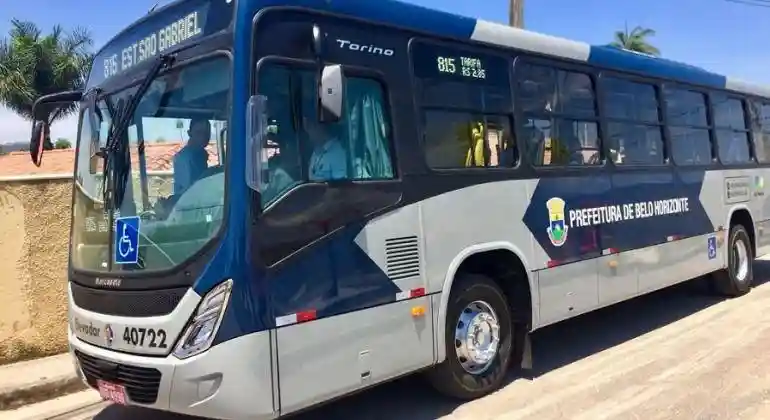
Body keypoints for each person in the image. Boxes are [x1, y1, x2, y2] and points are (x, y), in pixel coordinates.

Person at [173, 117, 211, 195]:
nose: (203, 137)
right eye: (198, 133)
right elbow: (186, 192)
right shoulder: (184, 159)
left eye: (206, 133)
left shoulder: (200, 155)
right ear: (189, 133)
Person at [303, 116, 347, 181]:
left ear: (319, 127)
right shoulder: (316, 152)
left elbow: (340, 188)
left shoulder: (337, 154)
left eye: (309, 127)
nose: (308, 133)